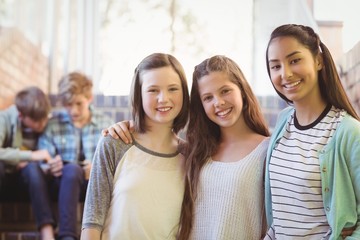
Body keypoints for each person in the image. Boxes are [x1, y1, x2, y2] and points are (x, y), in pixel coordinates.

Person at [104, 55, 270, 239]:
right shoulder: (196, 152)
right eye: (208, 97)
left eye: (225, 91)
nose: (219, 102)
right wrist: (128, 126)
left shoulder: (267, 151)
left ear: (242, 90)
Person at [264, 24, 360, 239]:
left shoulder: (348, 132)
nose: (285, 74)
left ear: (318, 60)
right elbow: (282, 216)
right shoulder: (282, 123)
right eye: (275, 66)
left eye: (294, 60)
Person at [81, 53, 190, 240]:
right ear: (139, 94)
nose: (163, 98)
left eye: (173, 89)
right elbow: (92, 221)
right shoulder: (114, 143)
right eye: (153, 90)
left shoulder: (190, 156)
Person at [23, 72, 113, 240]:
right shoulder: (53, 124)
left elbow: (117, 164)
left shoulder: (105, 124)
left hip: (92, 186)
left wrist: (96, 169)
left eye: (78, 104)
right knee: (71, 169)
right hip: (62, 184)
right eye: (68, 104)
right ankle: (67, 236)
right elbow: (42, 160)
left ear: (89, 98)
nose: (73, 110)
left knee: (74, 169)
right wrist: (49, 167)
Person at [0, 86, 51, 193]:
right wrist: (31, 155)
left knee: (32, 169)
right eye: (36, 120)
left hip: (32, 173)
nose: (42, 123)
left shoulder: (48, 123)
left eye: (44, 118)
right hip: (7, 173)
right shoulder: (4, 119)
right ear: (21, 116)